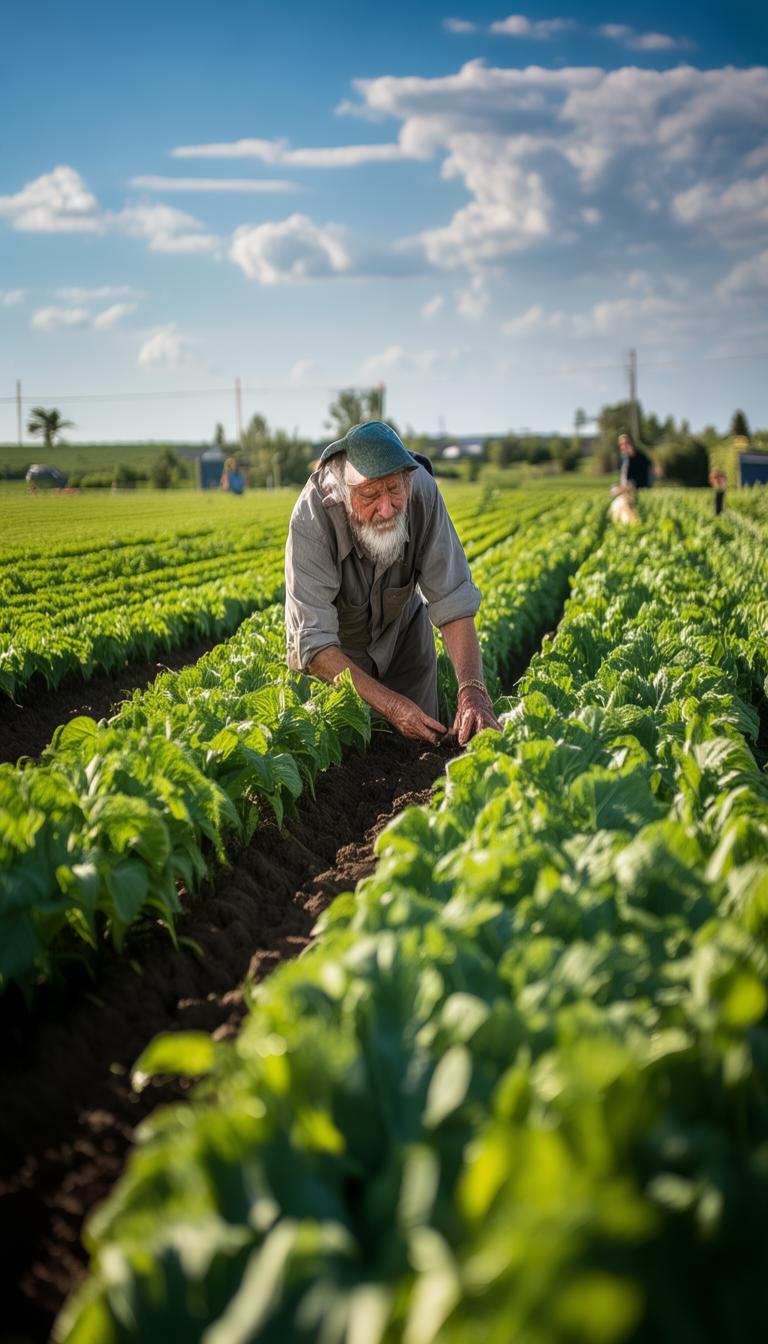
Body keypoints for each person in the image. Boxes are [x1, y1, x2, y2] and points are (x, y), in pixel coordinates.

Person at [285, 420, 501, 747]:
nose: (386, 508)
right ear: (345, 492)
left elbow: (453, 599)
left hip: (404, 637)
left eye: (394, 489)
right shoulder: (312, 518)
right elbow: (315, 647)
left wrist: (472, 691)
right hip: (339, 657)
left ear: (407, 481)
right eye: (370, 494)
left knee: (427, 747)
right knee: (346, 760)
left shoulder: (423, 491)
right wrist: (393, 706)